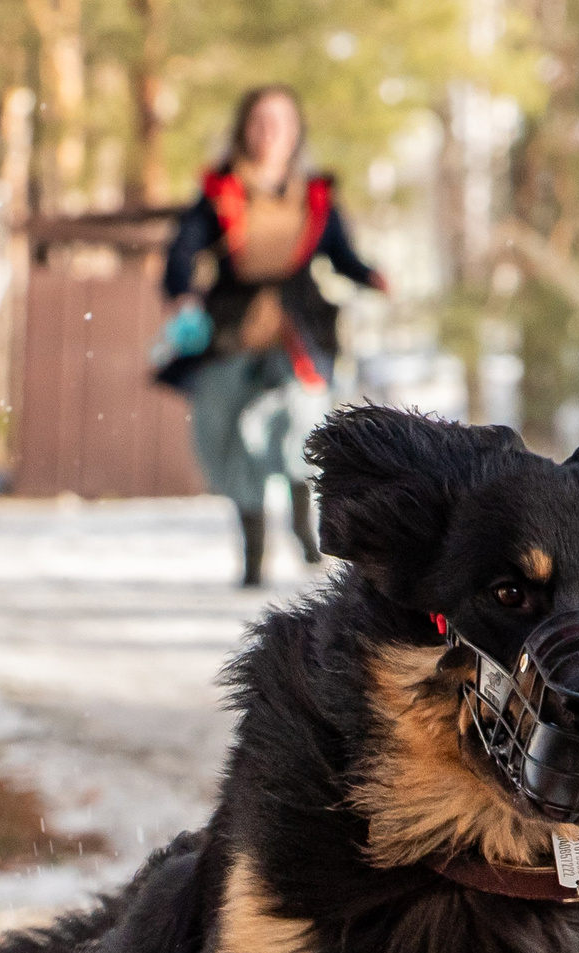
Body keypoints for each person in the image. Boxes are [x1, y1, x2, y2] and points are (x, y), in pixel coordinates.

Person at [158, 86, 385, 587]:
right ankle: (253, 553)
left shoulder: (315, 196)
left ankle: (306, 523)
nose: (269, 133)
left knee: (303, 424)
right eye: (260, 122)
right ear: (245, 129)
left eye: (279, 122)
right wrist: (181, 292)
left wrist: (370, 275)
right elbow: (181, 252)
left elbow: (341, 255)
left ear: (295, 131)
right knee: (223, 438)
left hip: (297, 329)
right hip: (231, 326)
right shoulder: (220, 190)